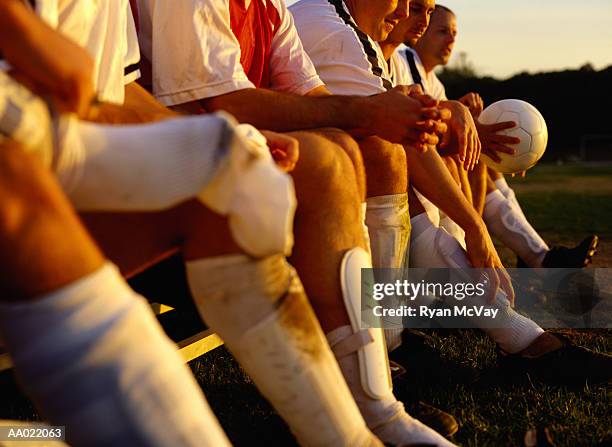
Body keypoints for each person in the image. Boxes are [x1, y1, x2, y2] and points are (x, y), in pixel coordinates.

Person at [1, 2, 387, 445]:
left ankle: (359, 429)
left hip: (58, 152)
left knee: (236, 175)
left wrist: (218, 143)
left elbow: (118, 92)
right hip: (26, 169)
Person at [138, 0, 459, 445]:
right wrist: (364, 113)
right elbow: (222, 100)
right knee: (327, 160)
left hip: (217, 156)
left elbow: (312, 97)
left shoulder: (271, 6)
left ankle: (376, 370)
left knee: (358, 149)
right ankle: (364, 399)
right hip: (169, 181)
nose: (406, 10)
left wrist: (384, 110)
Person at [377, 0, 611, 384]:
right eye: (440, 27)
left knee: (463, 158)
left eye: (453, 32)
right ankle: (510, 308)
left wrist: (458, 119)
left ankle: (511, 277)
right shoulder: (363, 44)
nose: (410, 16)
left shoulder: (408, 69)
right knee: (429, 157)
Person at [405, 3, 599, 269]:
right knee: (474, 159)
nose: (451, 39)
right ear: (423, 31)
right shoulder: (403, 61)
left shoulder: (434, 83)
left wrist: (506, 151)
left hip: (427, 164)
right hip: (412, 172)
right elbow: (419, 131)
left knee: (482, 160)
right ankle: (535, 257)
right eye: (442, 31)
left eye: (454, 33)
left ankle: (537, 255)